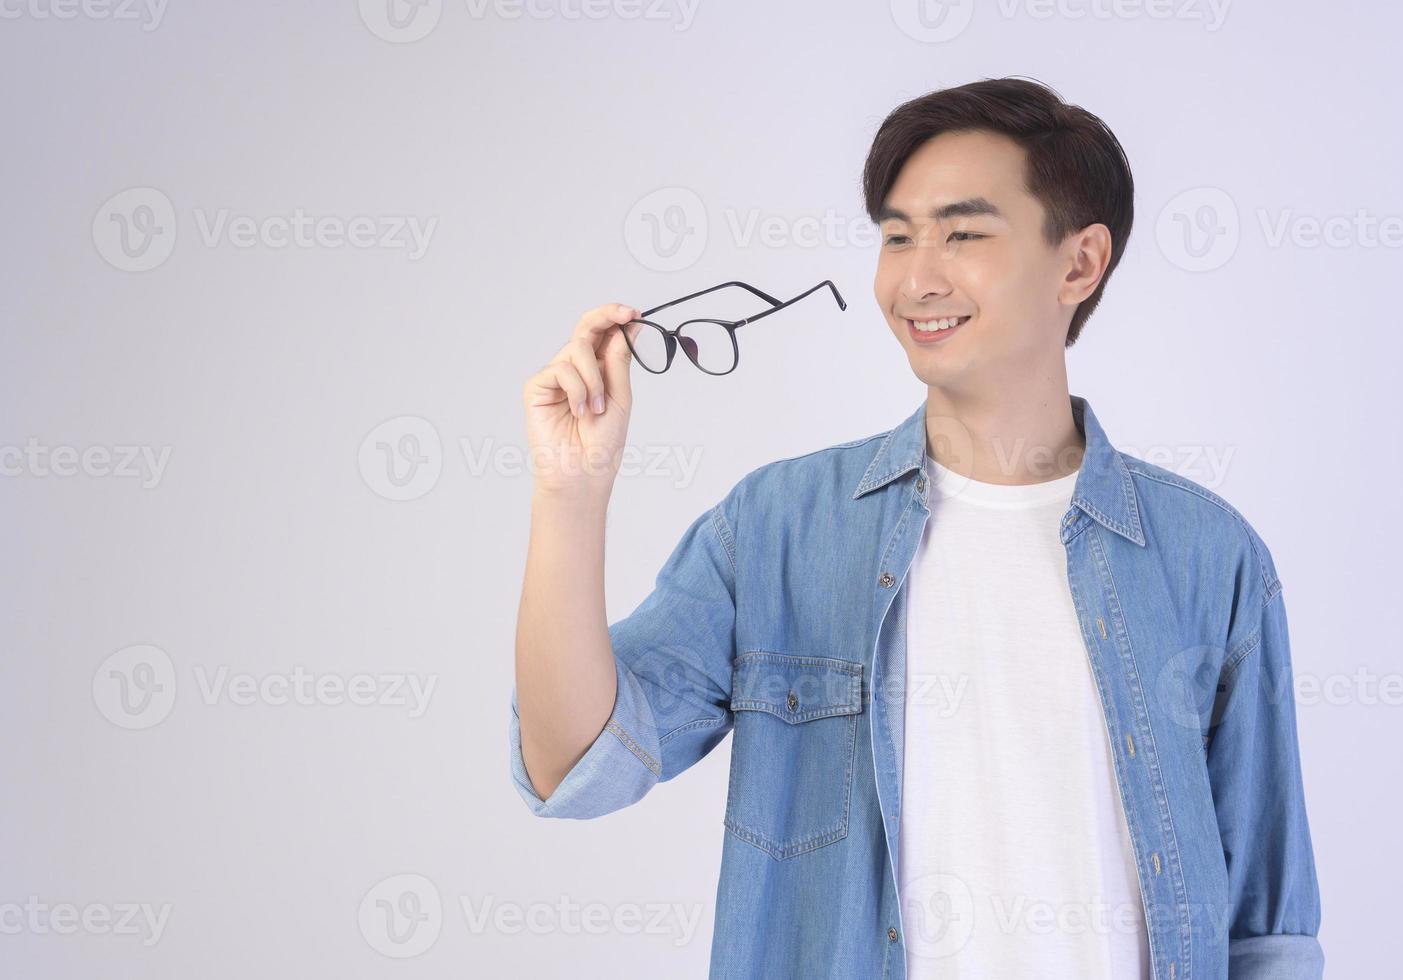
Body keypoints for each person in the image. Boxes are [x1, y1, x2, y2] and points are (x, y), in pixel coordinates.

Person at [510, 76, 1324, 980]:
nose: (914, 276)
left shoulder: (1208, 558)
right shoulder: (777, 528)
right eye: (896, 235)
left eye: (963, 233)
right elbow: (573, 764)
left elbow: (1265, 929)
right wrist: (570, 493)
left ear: (1078, 263)